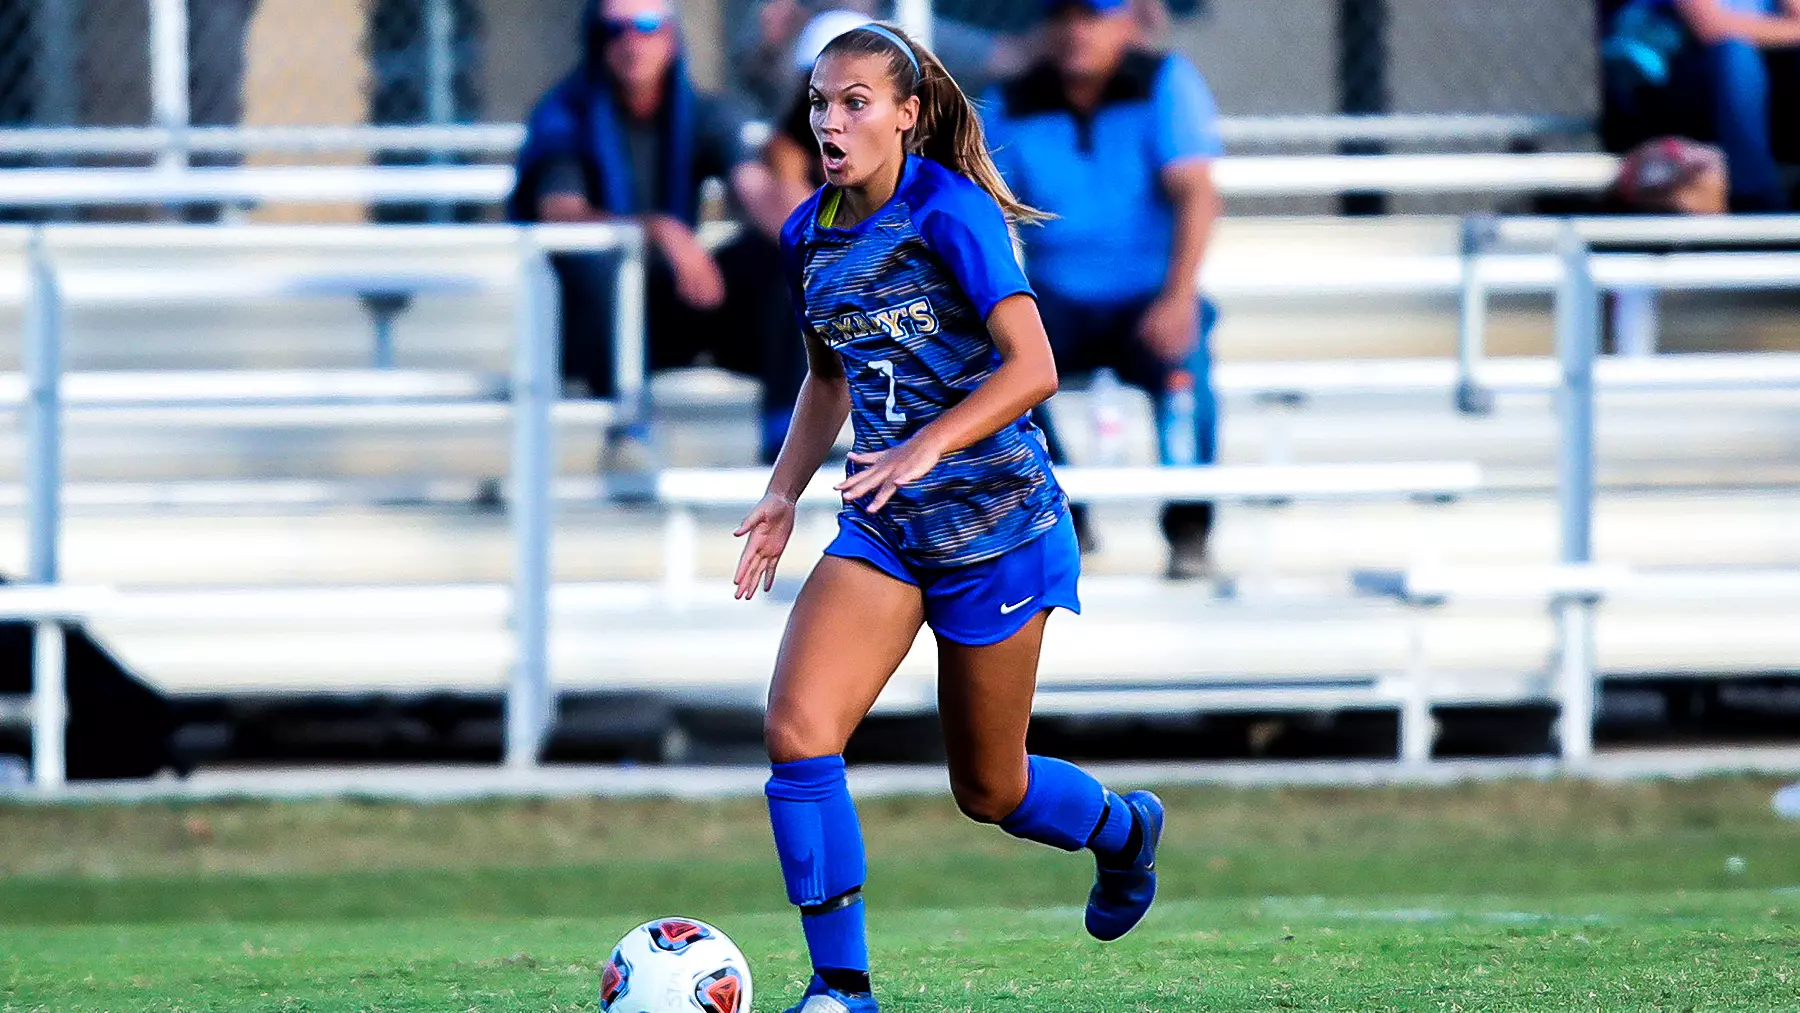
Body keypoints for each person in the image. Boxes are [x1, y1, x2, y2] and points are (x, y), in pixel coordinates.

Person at [731, 23, 1164, 1013]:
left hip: (996, 528)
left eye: (854, 102)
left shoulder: (952, 213)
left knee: (991, 790)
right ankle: (841, 987)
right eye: (818, 103)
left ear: (908, 113)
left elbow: (1035, 366)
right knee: (799, 727)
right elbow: (827, 377)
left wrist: (930, 442)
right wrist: (782, 492)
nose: (830, 122)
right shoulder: (811, 231)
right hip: (885, 527)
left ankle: (1123, 828)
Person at [983, 0, 1224, 578]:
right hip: (1056, 297)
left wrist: (1178, 296)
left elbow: (1197, 192)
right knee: (996, 365)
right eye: (1063, 17)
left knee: (1186, 373)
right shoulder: (1010, 100)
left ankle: (1188, 531)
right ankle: (1063, 516)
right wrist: (1000, 308)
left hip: (1148, 293)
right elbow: (985, 211)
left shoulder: (1165, 81)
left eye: (1092, 16)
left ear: (1126, 23)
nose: (1075, 32)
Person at [507, 0, 803, 466]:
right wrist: (659, 231)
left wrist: (819, 227)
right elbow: (559, 213)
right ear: (597, 40)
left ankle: (788, 432)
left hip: (678, 304)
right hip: (598, 324)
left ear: (670, 37)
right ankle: (630, 428)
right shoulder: (566, 116)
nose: (633, 42)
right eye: (617, 29)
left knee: (790, 254)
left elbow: (755, 192)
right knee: (603, 257)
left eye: (648, 27)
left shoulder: (700, 110)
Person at [1606, 0, 1800, 210]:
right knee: (1736, 56)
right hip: (1680, 82)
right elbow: (1711, 28)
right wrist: (1788, 30)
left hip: (1769, 85)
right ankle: (1756, 198)